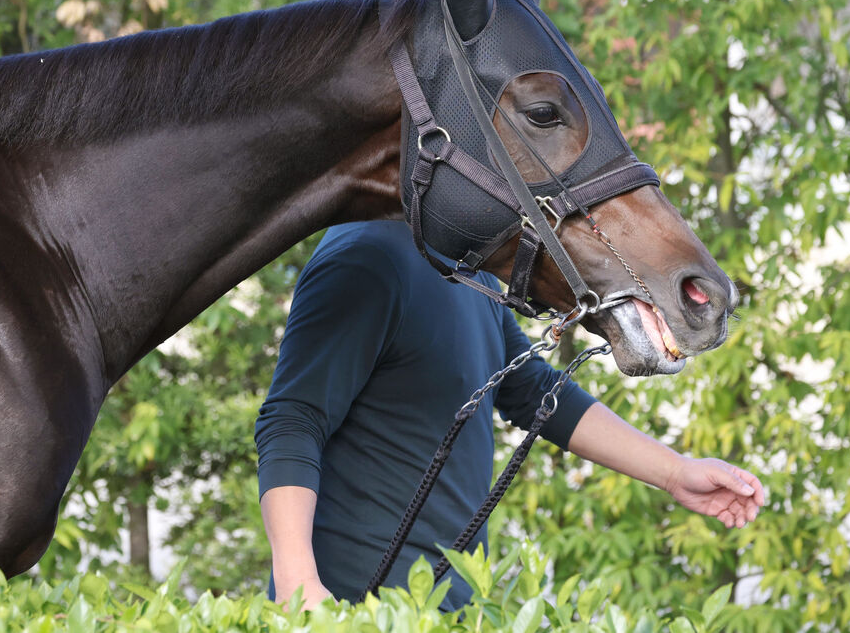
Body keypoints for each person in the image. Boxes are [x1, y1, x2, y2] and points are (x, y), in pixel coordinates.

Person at [254, 220, 764, 609]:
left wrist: (675, 472)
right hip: (349, 604)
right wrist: (298, 581)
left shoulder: (462, 261)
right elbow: (292, 420)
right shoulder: (364, 258)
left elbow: (530, 389)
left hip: (448, 603)